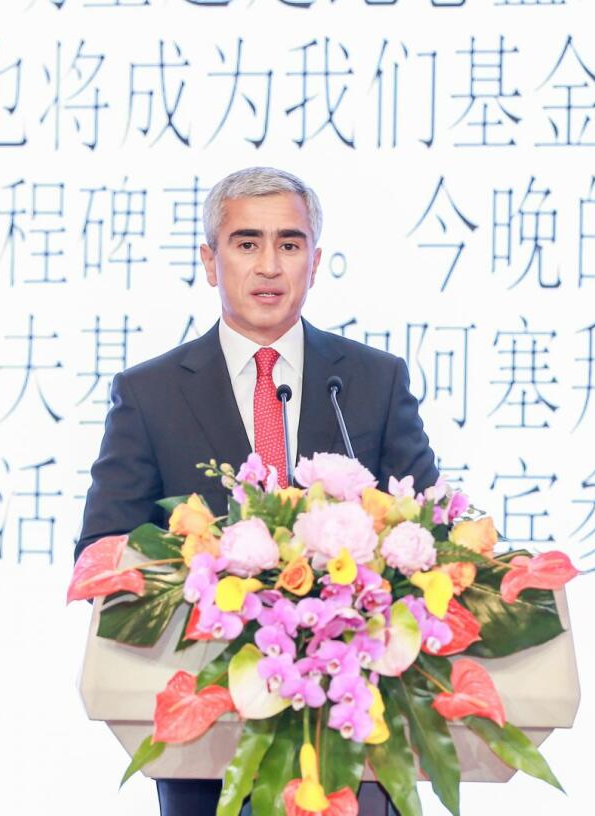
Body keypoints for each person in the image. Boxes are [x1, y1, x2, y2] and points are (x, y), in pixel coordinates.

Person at [77, 166, 440, 816]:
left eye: (289, 244)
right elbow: (103, 552)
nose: (269, 265)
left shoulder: (372, 382)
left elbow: (429, 538)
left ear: (315, 262)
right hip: (208, 749)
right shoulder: (150, 394)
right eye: (246, 243)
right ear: (210, 262)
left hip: (356, 746)